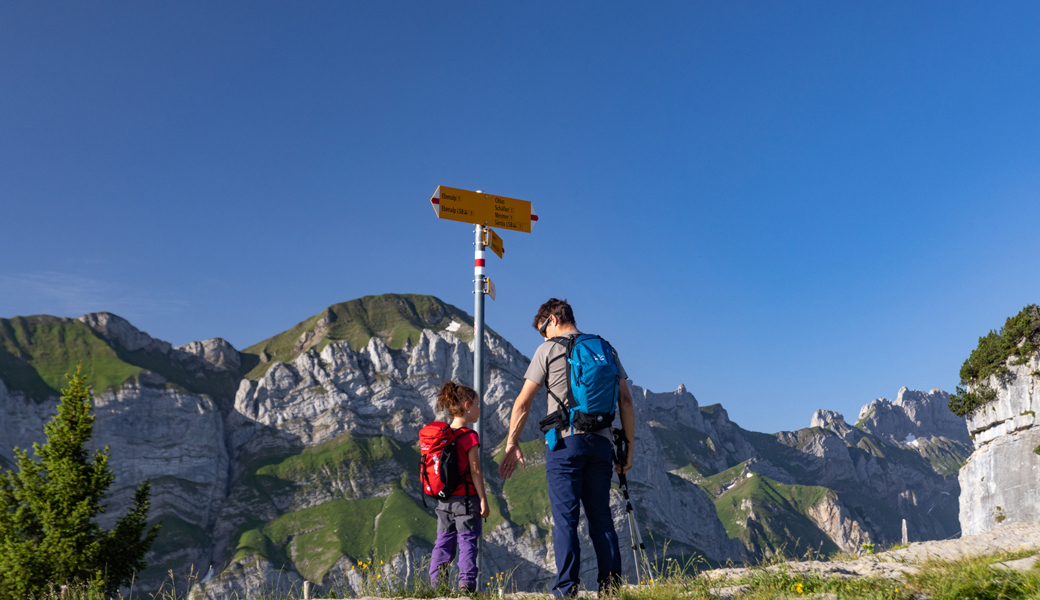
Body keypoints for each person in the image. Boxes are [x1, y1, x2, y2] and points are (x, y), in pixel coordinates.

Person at [498, 298, 636, 598]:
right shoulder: (606, 348)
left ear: (553, 319)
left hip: (565, 442)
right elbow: (626, 401)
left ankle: (566, 590)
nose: (543, 337)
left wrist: (511, 443)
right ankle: (610, 589)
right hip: (601, 444)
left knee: (565, 520)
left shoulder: (548, 350)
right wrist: (629, 447)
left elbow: (522, 402)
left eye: (542, 330)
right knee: (601, 517)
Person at [428, 381, 490, 591]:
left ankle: (437, 586)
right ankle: (466, 585)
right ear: (467, 405)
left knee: (443, 542)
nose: (479, 409)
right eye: (477, 404)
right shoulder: (470, 436)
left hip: (444, 499)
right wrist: (483, 500)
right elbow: (476, 471)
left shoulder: (442, 436)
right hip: (466, 501)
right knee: (467, 542)